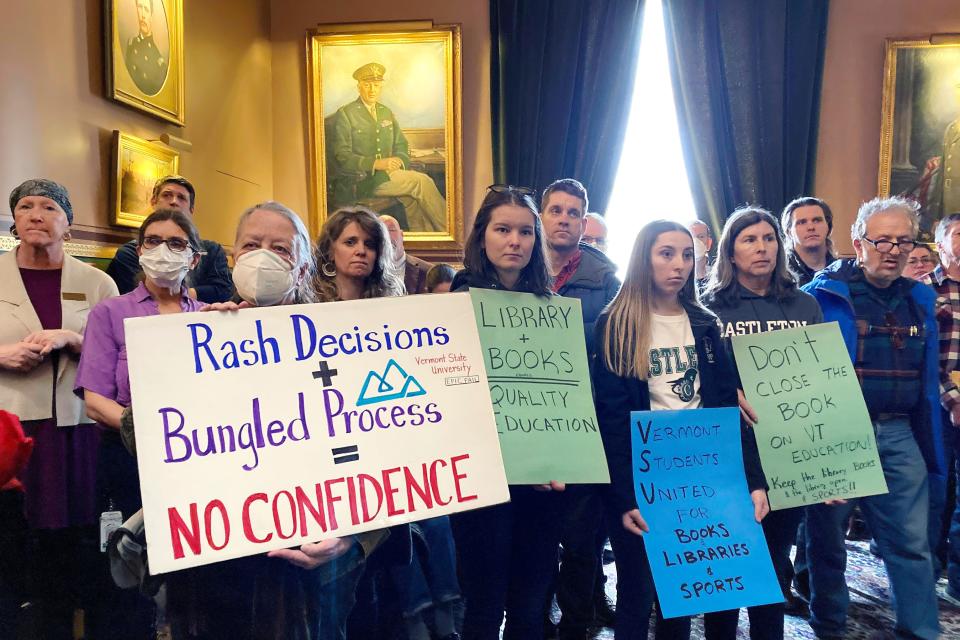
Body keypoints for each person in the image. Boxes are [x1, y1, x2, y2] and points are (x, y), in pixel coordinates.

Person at [163, 202, 389, 639]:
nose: (262, 255)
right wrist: (190, 364)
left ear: (305, 266)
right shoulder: (195, 336)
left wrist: (355, 539)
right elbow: (145, 436)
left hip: (318, 573)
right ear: (231, 259)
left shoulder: (346, 340)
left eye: (280, 249)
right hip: (218, 570)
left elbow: (395, 450)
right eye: (251, 245)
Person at [592, 219, 768, 640]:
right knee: (637, 590)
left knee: (689, 594)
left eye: (687, 254)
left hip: (704, 474)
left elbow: (728, 408)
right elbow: (611, 420)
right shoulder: (616, 322)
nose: (680, 265)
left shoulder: (705, 323)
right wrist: (623, 497)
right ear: (643, 259)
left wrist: (753, 481)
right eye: (666, 253)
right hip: (645, 476)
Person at [803, 196, 944, 640]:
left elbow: (928, 377)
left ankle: (919, 632)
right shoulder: (819, 297)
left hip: (900, 431)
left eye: (904, 240)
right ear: (857, 242)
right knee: (827, 542)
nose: (893, 249)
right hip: (838, 433)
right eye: (881, 239)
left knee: (911, 544)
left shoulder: (921, 299)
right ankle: (829, 625)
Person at [75, 208, 204, 637]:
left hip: (196, 463)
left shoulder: (212, 315)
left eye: (177, 243)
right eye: (153, 241)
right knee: (126, 580)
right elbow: (94, 400)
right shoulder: (110, 314)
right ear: (138, 250)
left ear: (195, 258)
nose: (163, 250)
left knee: (192, 574)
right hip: (128, 459)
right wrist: (148, 431)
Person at [0, 179, 118, 638]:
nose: (35, 214)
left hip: (77, 429)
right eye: (25, 206)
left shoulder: (97, 282)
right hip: (11, 431)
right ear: (13, 221)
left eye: (49, 207)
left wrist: (74, 340)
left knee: (73, 539)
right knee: (15, 539)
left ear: (68, 224)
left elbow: (121, 351)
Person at [449, 185, 566, 640]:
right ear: (483, 237)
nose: (514, 241)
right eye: (503, 230)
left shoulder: (552, 308)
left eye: (524, 231)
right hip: (482, 479)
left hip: (543, 478)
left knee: (531, 603)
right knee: (482, 603)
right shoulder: (455, 303)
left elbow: (562, 397)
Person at [700, 207, 822, 640]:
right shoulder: (708, 307)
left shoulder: (804, 304)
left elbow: (820, 383)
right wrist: (724, 390)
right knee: (728, 565)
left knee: (773, 564)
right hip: (725, 454)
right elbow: (692, 374)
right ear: (730, 252)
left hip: (785, 451)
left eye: (769, 238)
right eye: (749, 239)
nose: (762, 247)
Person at [540, 178, 620, 638]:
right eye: (556, 210)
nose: (565, 219)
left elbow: (617, 346)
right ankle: (539, 614)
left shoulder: (605, 276)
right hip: (527, 419)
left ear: (583, 220)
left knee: (583, 539)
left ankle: (578, 621)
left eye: (573, 212)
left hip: (583, 421)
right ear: (542, 214)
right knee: (537, 535)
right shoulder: (517, 267)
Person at [330, 62, 447, 232]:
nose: (372, 90)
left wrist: (399, 160)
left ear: (381, 87)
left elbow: (401, 144)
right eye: (367, 85)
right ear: (359, 87)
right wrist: (376, 164)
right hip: (363, 180)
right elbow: (342, 156)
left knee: (413, 199)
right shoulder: (346, 114)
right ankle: (448, 231)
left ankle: (427, 239)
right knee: (422, 182)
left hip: (388, 175)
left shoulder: (385, 112)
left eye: (376, 85)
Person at [106, 175, 233, 303]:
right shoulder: (129, 253)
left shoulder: (211, 250)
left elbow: (224, 291)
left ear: (191, 210)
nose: (174, 201)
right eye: (167, 195)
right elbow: (134, 298)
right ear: (153, 202)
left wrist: (179, 297)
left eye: (181, 198)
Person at [923, 212, 960, 601]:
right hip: (937, 406)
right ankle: (927, 571)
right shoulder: (923, 291)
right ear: (940, 243)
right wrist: (953, 399)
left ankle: (958, 582)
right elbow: (923, 357)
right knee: (935, 493)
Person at [781, 197, 836, 287]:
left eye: (817, 220)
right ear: (788, 231)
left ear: (828, 227)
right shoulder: (780, 275)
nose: (811, 227)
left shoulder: (842, 272)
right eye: (802, 222)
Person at [124, 0, 169, 96]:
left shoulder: (158, 60)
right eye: (140, 7)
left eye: (146, 10)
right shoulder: (131, 43)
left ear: (151, 17)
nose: (143, 15)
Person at [380, 214, 433, 294]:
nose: (386, 236)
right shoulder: (366, 272)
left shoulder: (428, 272)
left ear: (401, 235)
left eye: (391, 230)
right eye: (381, 231)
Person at [687, 219, 714, 287]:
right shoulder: (679, 279)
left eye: (701, 237)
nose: (695, 241)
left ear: (709, 243)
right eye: (691, 237)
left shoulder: (719, 275)